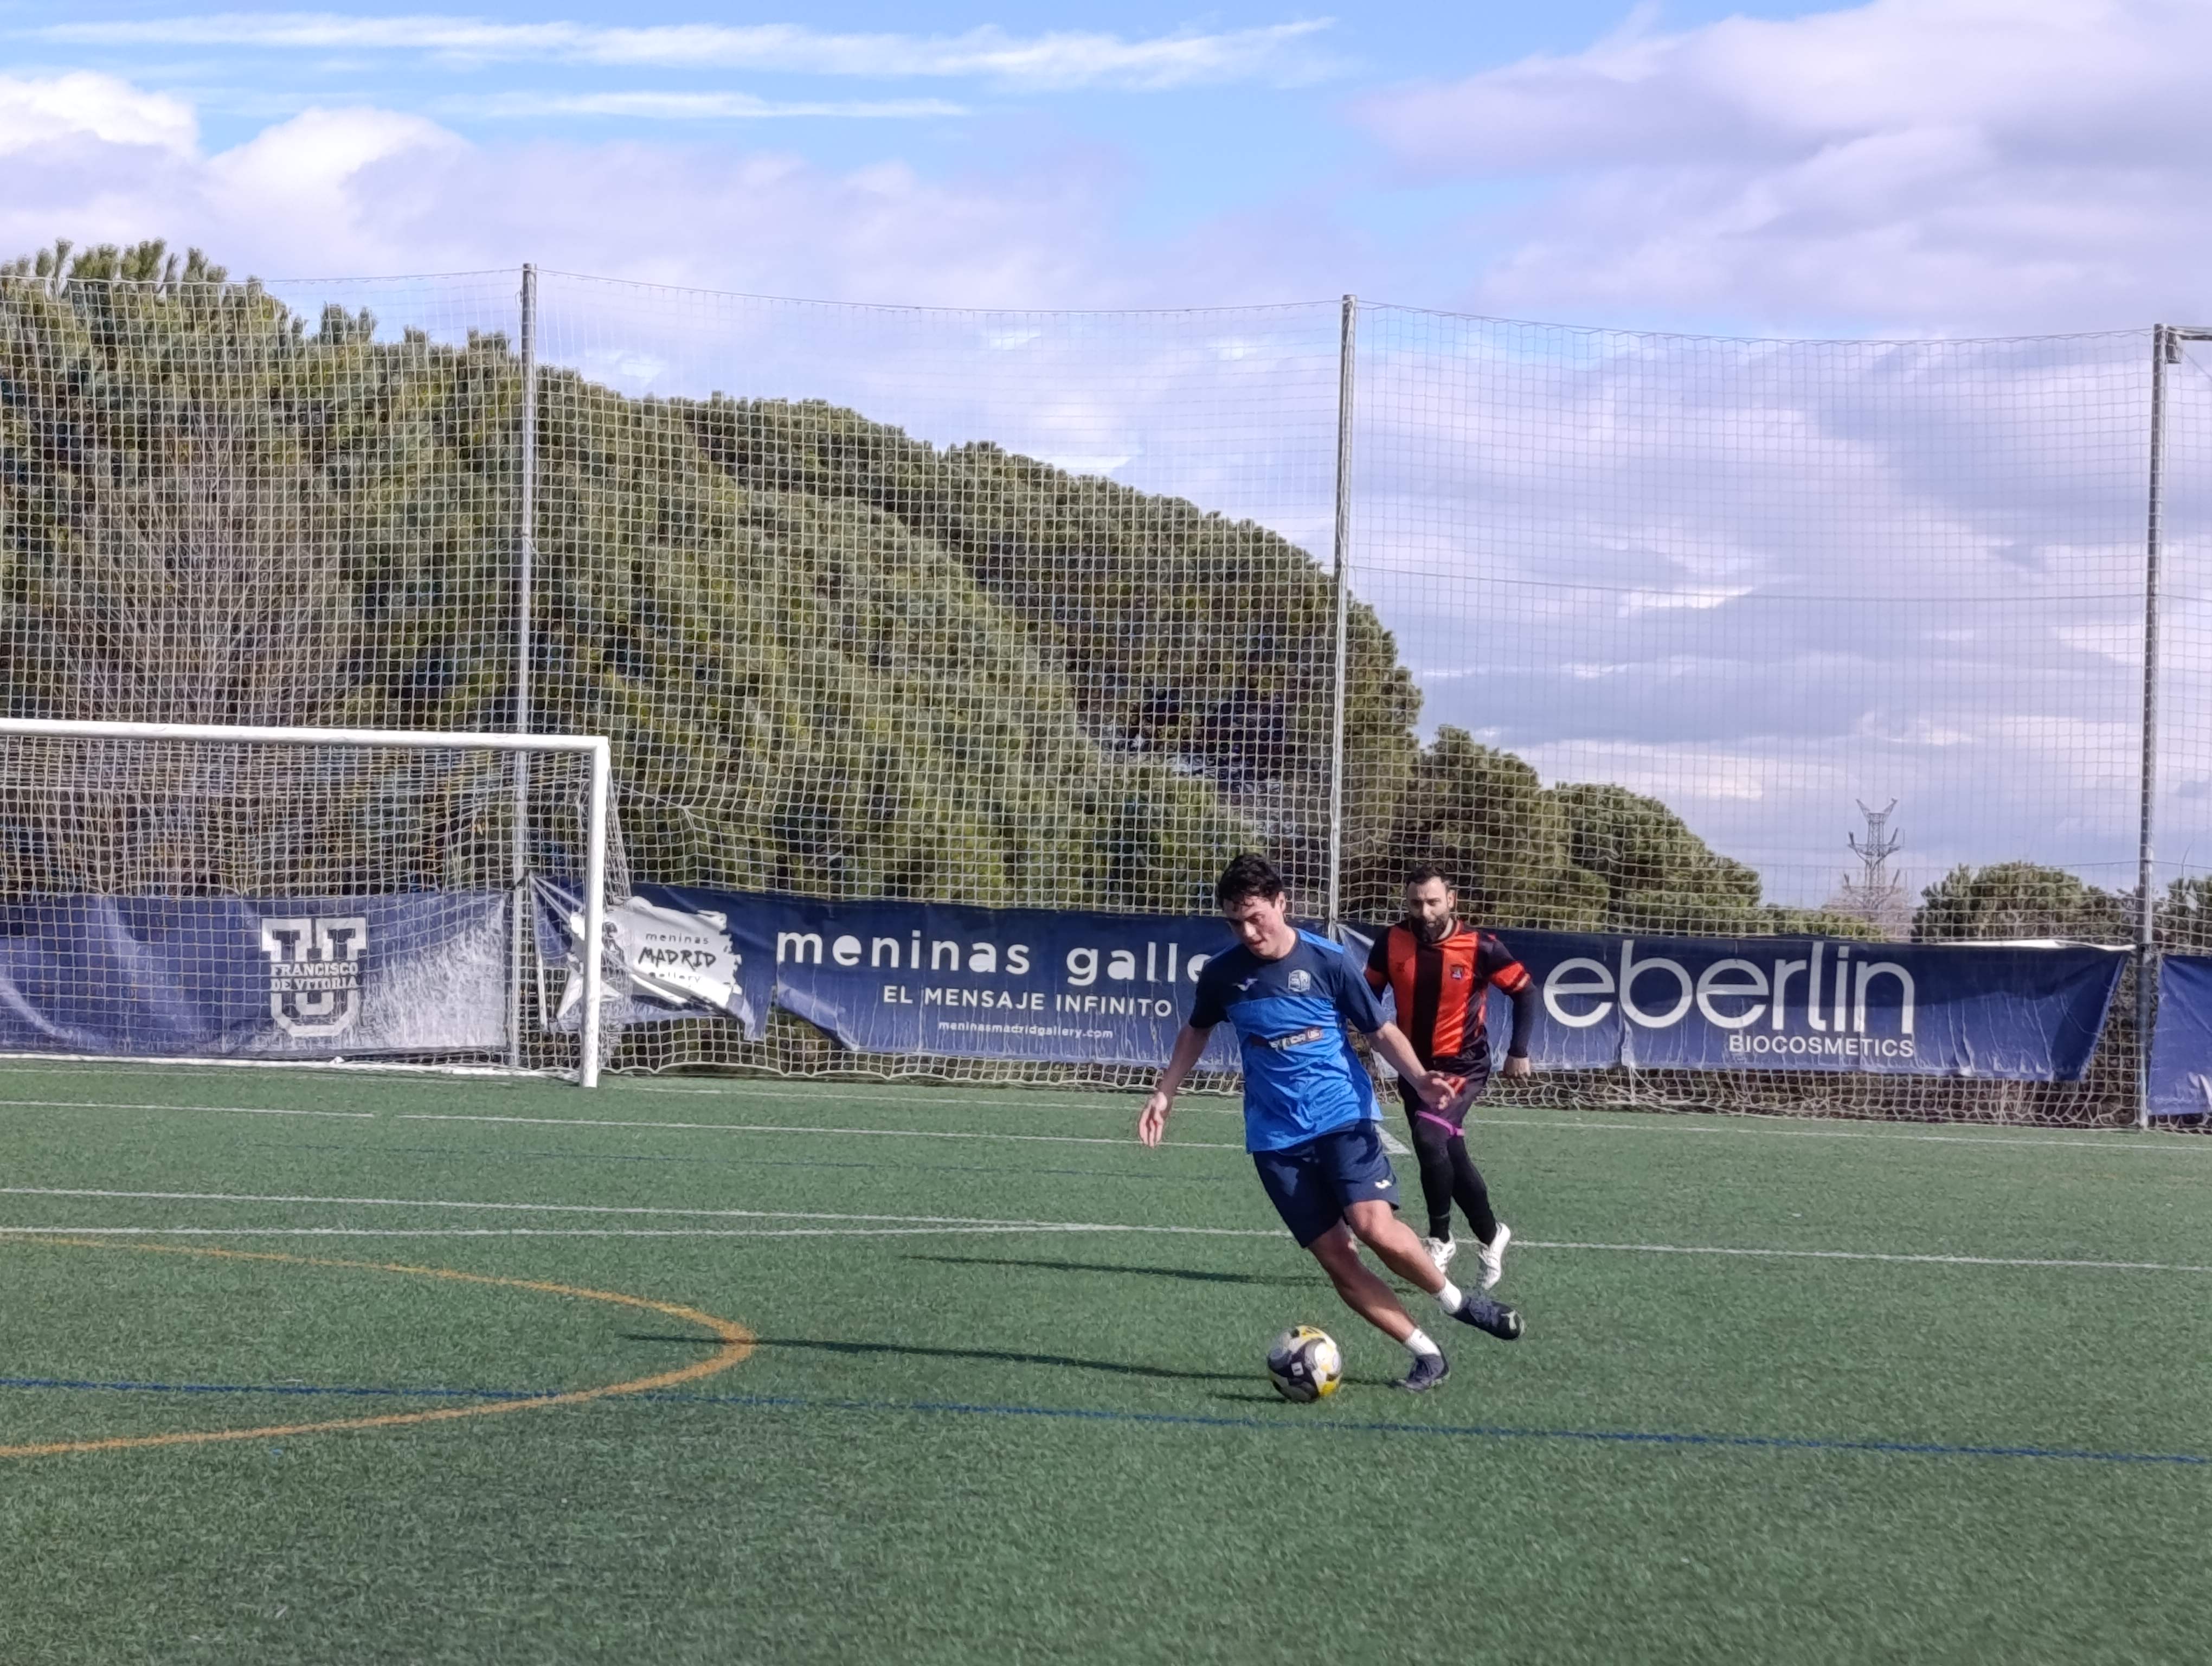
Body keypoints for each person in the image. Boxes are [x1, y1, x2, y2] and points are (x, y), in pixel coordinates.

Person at [1139, 854, 1522, 1394]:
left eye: (1256, 918)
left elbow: (1380, 1029)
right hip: (1274, 1138)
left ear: (1281, 904)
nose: (1248, 932)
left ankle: (1456, 1302)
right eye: (1235, 922)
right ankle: (1427, 1354)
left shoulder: (1328, 960)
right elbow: (1196, 1030)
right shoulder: (1223, 973)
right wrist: (1165, 1091)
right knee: (1339, 1260)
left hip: (1342, 1116)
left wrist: (1419, 1078)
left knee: (1372, 1226)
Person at [1364, 865, 1534, 1290]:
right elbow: (1367, 996)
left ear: (1451, 900)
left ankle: (1440, 1238)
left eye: (1433, 902)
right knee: (1448, 1154)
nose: (1424, 912)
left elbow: (1524, 991)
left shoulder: (1480, 946)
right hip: (1413, 1068)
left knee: (1428, 1139)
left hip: (1463, 1066)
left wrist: (1519, 1051)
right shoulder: (1390, 941)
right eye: (1415, 903)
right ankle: (1492, 1234)